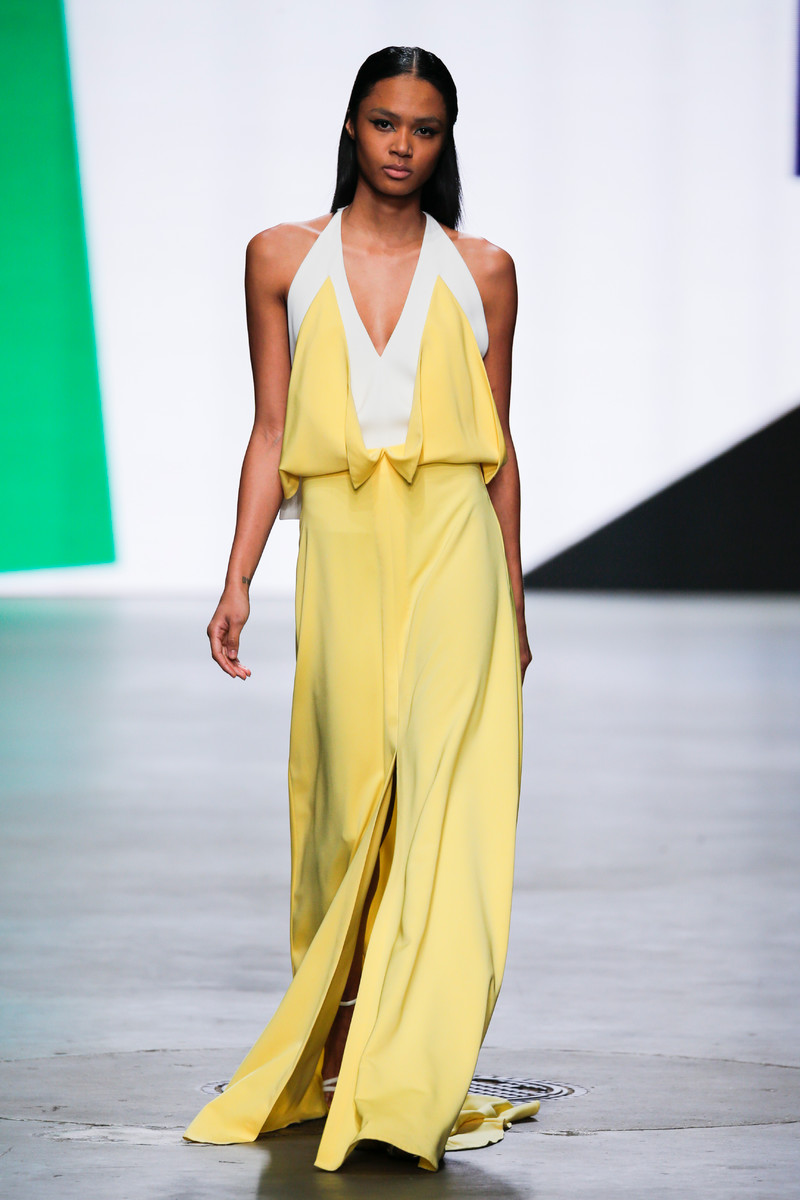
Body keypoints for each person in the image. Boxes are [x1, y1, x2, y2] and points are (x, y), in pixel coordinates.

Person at [183, 45, 538, 1171]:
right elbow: (271, 429)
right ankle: (339, 1065)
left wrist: (514, 597)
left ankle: (406, 1084)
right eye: (385, 122)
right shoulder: (280, 258)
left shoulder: (483, 270)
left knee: (443, 808)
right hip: (338, 548)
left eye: (424, 129)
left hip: (454, 548)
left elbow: (499, 451)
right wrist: (238, 576)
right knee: (344, 811)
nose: (401, 145)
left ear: (444, 141)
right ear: (351, 125)